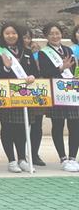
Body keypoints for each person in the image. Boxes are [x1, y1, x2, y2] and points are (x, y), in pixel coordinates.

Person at [0, 22, 38, 173]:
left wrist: (32, 76)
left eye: (14, 33)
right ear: (2, 35)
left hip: (25, 95)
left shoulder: (26, 51)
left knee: (23, 127)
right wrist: (6, 68)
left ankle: (22, 159)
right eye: (7, 33)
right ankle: (11, 160)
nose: (11, 36)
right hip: (7, 95)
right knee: (8, 127)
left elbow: (35, 71)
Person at [37, 23, 79, 172]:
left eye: (57, 33)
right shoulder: (43, 53)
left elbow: (74, 69)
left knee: (75, 125)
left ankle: (73, 158)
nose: (55, 36)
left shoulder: (68, 50)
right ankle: (63, 158)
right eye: (51, 34)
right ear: (46, 36)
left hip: (71, 92)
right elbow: (45, 73)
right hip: (56, 93)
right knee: (58, 125)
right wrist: (61, 68)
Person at [22, 28, 47, 167]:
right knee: (22, 126)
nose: (26, 40)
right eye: (23, 37)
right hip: (20, 92)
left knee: (37, 125)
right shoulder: (12, 52)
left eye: (28, 37)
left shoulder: (37, 52)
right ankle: (21, 155)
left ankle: (34, 154)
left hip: (36, 91)